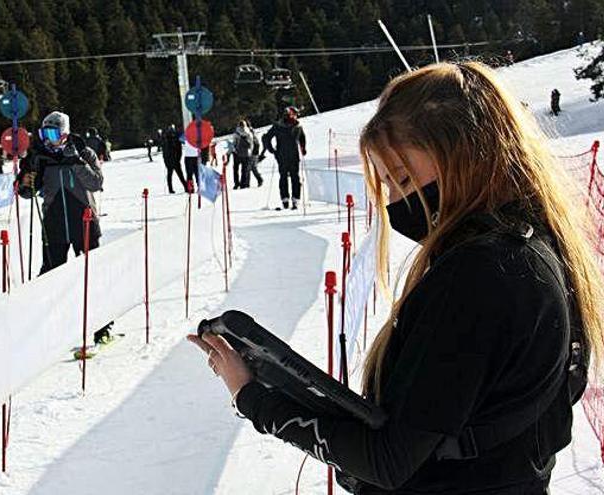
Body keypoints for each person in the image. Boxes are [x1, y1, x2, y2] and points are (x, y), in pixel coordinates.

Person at [190, 62, 604, 494]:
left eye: (402, 178)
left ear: (462, 153)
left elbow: (389, 460)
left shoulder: (481, 274)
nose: (395, 200)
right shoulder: (533, 247)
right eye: (386, 184)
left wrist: (252, 396)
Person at [18, 111, 103, 274]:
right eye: (44, 134)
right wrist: (25, 184)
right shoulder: (40, 157)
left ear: (64, 133)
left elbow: (95, 183)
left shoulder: (84, 153)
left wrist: (77, 162)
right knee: (51, 273)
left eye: (52, 134)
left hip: (84, 221)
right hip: (54, 223)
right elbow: (28, 192)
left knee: (90, 272)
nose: (48, 140)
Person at [263, 106, 306, 210]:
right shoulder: (282, 126)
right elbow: (266, 138)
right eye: (294, 114)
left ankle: (292, 200)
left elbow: (302, 138)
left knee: (290, 177)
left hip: (287, 155)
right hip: (286, 156)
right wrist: (272, 150)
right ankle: (288, 200)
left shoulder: (295, 126)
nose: (296, 116)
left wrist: (303, 148)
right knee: (289, 178)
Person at [161, 124, 187, 194]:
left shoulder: (175, 140)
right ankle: (172, 189)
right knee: (173, 175)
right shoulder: (166, 141)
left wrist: (178, 159)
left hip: (174, 160)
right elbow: (165, 153)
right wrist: (166, 161)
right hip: (171, 161)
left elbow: (179, 151)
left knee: (178, 175)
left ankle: (185, 187)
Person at [231, 120, 254, 189]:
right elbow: (251, 143)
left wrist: (234, 150)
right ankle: (243, 184)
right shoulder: (248, 132)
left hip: (237, 153)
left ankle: (236, 183)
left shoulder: (236, 133)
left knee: (235, 169)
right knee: (244, 169)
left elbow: (233, 143)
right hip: (246, 153)